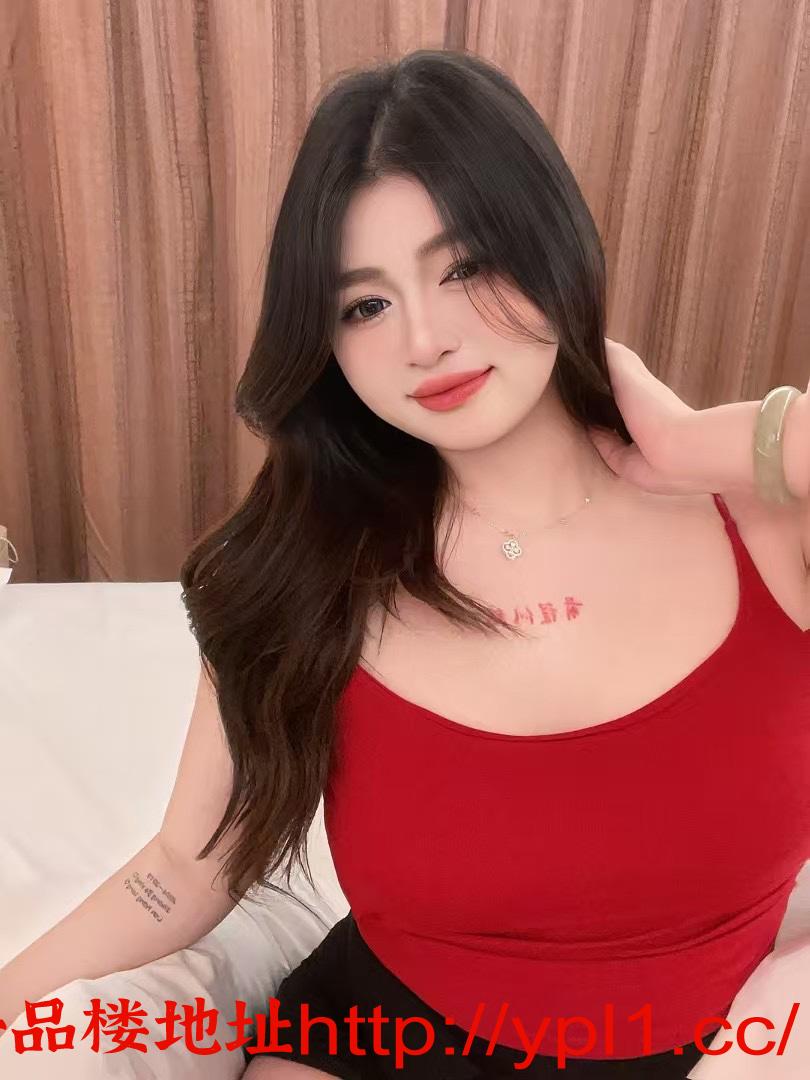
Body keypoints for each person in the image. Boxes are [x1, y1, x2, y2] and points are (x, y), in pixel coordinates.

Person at [2, 48, 808, 1080]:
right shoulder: (301, 567)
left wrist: (729, 442)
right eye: (365, 306)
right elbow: (184, 871)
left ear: (554, 244)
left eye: (465, 266)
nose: (424, 340)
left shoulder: (770, 523)